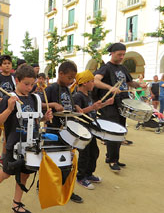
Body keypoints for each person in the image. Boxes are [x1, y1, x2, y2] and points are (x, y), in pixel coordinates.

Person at [0, 64, 53, 213]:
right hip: (13, 143)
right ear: (17, 80)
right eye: (26, 84)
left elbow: (35, 121)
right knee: (6, 173)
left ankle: (17, 204)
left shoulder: (34, 99)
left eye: (32, 84)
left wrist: (44, 118)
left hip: (31, 144)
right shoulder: (8, 99)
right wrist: (9, 109)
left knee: (24, 175)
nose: (29, 87)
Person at [94, 43, 146, 172]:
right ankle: (113, 160)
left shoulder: (123, 68)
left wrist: (139, 85)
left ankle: (111, 157)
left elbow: (130, 82)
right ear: (112, 53)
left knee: (121, 130)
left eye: (123, 54)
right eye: (119, 54)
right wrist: (110, 87)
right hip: (109, 104)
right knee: (114, 132)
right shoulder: (106, 68)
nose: (122, 57)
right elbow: (96, 80)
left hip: (122, 103)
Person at [41, 60, 83, 203]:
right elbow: (39, 104)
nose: (71, 81)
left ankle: (66, 189)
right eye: (69, 78)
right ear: (61, 74)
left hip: (68, 131)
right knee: (51, 162)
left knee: (68, 162)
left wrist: (75, 107)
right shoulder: (51, 89)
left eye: (73, 79)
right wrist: (52, 105)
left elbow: (68, 106)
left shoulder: (68, 90)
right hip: (53, 131)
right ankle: (44, 185)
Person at [72, 70, 114, 190]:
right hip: (82, 129)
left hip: (91, 128)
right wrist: (92, 107)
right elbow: (77, 113)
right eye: (91, 81)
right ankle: (80, 177)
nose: (93, 83)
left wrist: (106, 103)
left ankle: (89, 174)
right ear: (84, 83)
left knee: (94, 152)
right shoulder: (77, 96)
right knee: (85, 154)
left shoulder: (88, 95)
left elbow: (94, 108)